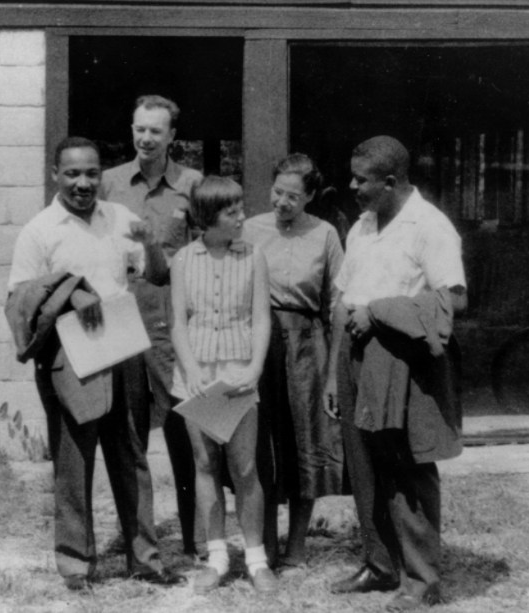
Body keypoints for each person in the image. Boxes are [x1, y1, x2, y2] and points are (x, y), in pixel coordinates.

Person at [5, 136, 173, 592]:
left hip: (122, 347)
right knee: (74, 461)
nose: (83, 183)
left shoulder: (119, 217)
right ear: (55, 175)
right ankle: (76, 565)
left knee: (132, 455)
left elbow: (157, 275)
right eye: (73, 173)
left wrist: (151, 244)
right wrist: (72, 292)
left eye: (92, 173)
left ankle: (146, 559)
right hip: (70, 355)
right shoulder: (40, 230)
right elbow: (19, 298)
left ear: (102, 175)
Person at [324, 136, 467, 612]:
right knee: (364, 466)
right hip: (355, 355)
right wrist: (333, 374)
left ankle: (422, 581)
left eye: (360, 180)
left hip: (402, 361)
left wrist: (381, 312)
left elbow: (455, 298)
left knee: (407, 466)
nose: (351, 187)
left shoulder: (430, 226)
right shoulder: (362, 226)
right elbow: (343, 301)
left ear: (389, 182)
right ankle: (380, 564)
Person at [100, 95, 203, 570]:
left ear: (172, 137)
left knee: (184, 427)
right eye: (139, 129)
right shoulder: (108, 183)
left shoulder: (191, 185)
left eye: (155, 131)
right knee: (129, 434)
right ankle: (138, 542)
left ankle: (195, 539)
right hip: (122, 319)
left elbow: (204, 255)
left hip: (170, 323)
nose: (145, 138)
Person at [170, 175, 277, 594]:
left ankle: (256, 560)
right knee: (204, 464)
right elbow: (179, 323)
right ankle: (216, 557)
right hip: (197, 377)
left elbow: (262, 318)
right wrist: (191, 369)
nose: (241, 217)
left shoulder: (253, 256)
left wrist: (254, 368)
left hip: (238, 375)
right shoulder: (183, 259)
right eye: (232, 212)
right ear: (209, 217)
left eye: (240, 209)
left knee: (245, 467)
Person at [243, 153, 344, 570]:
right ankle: (264, 543)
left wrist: (333, 370)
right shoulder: (250, 229)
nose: (282, 202)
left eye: (293, 196)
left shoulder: (325, 234)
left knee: (307, 440)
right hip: (259, 341)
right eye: (277, 192)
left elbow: (337, 303)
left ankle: (297, 545)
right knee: (262, 441)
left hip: (307, 343)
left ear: (310, 197)